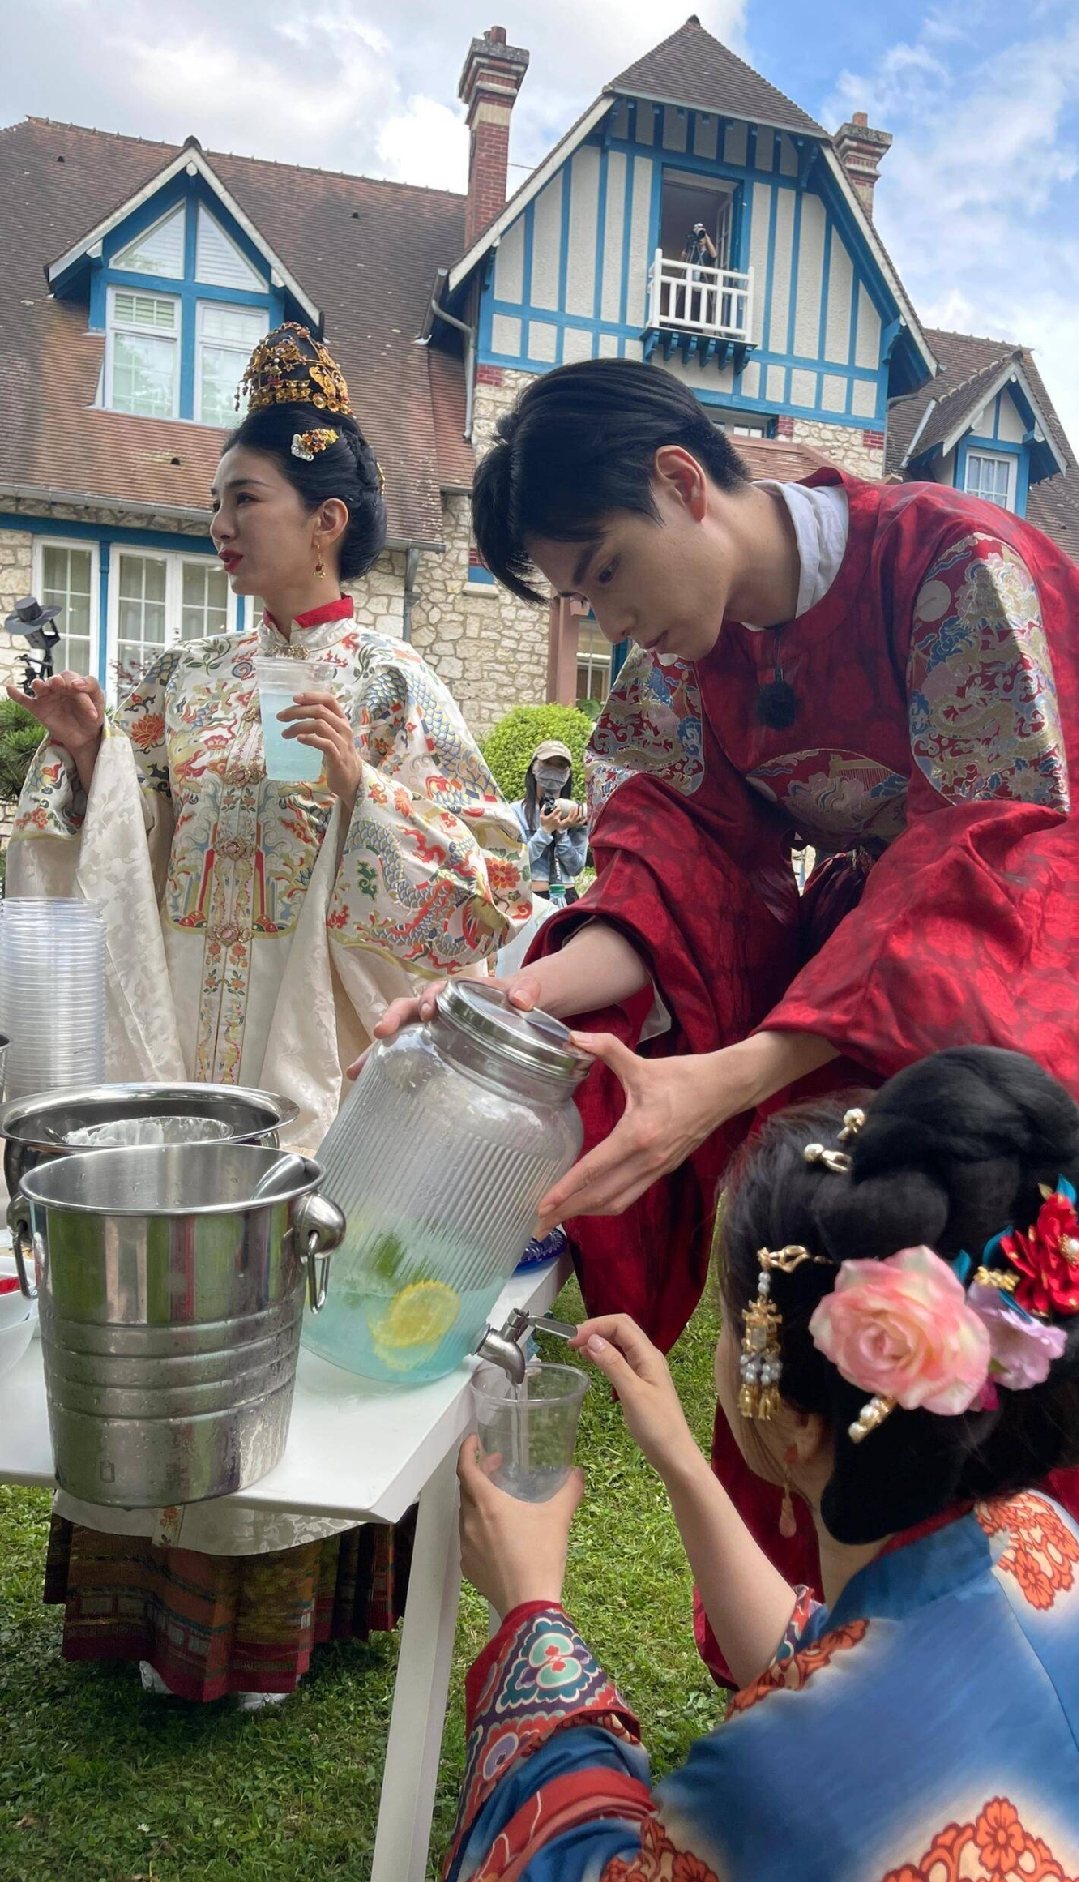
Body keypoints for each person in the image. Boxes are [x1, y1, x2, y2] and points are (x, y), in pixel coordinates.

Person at [373, 357, 1079, 1742]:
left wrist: (731, 1082)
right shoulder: (696, 651)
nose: (614, 618)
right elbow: (673, 881)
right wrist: (516, 996)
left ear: (685, 479)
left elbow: (997, 855)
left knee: (1014, 1376)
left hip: (1071, 999)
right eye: (584, 597)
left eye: (609, 572)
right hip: (865, 1023)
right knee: (851, 1381)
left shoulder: (958, 563)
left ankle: (1043, 1741)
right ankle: (851, 1708)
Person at [6, 323, 529, 1703]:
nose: (221, 523)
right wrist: (84, 762)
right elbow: (120, 848)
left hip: (326, 1054)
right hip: (183, 1041)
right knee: (170, 1289)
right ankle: (147, 1595)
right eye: (216, 503)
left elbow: (488, 881)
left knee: (282, 1294)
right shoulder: (185, 683)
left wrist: (372, 805)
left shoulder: (398, 686)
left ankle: (276, 1624)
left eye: (244, 500)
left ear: (328, 520)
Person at [443, 1051, 1079, 1882]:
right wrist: (680, 1459)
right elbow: (835, 1657)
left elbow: (578, 1867)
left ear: (797, 1422)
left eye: (731, 1328)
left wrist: (530, 1613)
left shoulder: (771, 1784)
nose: (724, 1351)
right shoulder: (1040, 1542)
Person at [512, 737, 589, 905]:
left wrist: (562, 832)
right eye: (547, 763)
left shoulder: (575, 813)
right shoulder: (515, 812)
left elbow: (576, 868)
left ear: (568, 773)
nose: (554, 770)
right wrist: (545, 831)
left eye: (561, 766)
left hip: (566, 898)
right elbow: (516, 864)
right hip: (531, 899)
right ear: (534, 767)